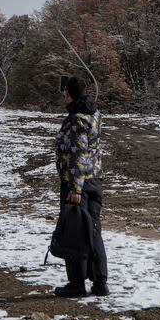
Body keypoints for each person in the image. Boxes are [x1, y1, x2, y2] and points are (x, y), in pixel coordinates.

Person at [54, 76, 109, 297]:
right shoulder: (94, 114)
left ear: (69, 94)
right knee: (93, 230)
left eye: (65, 92)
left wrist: (75, 189)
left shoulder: (76, 120)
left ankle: (76, 283)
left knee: (75, 232)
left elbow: (78, 154)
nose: (62, 95)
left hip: (79, 184)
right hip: (95, 180)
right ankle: (100, 281)